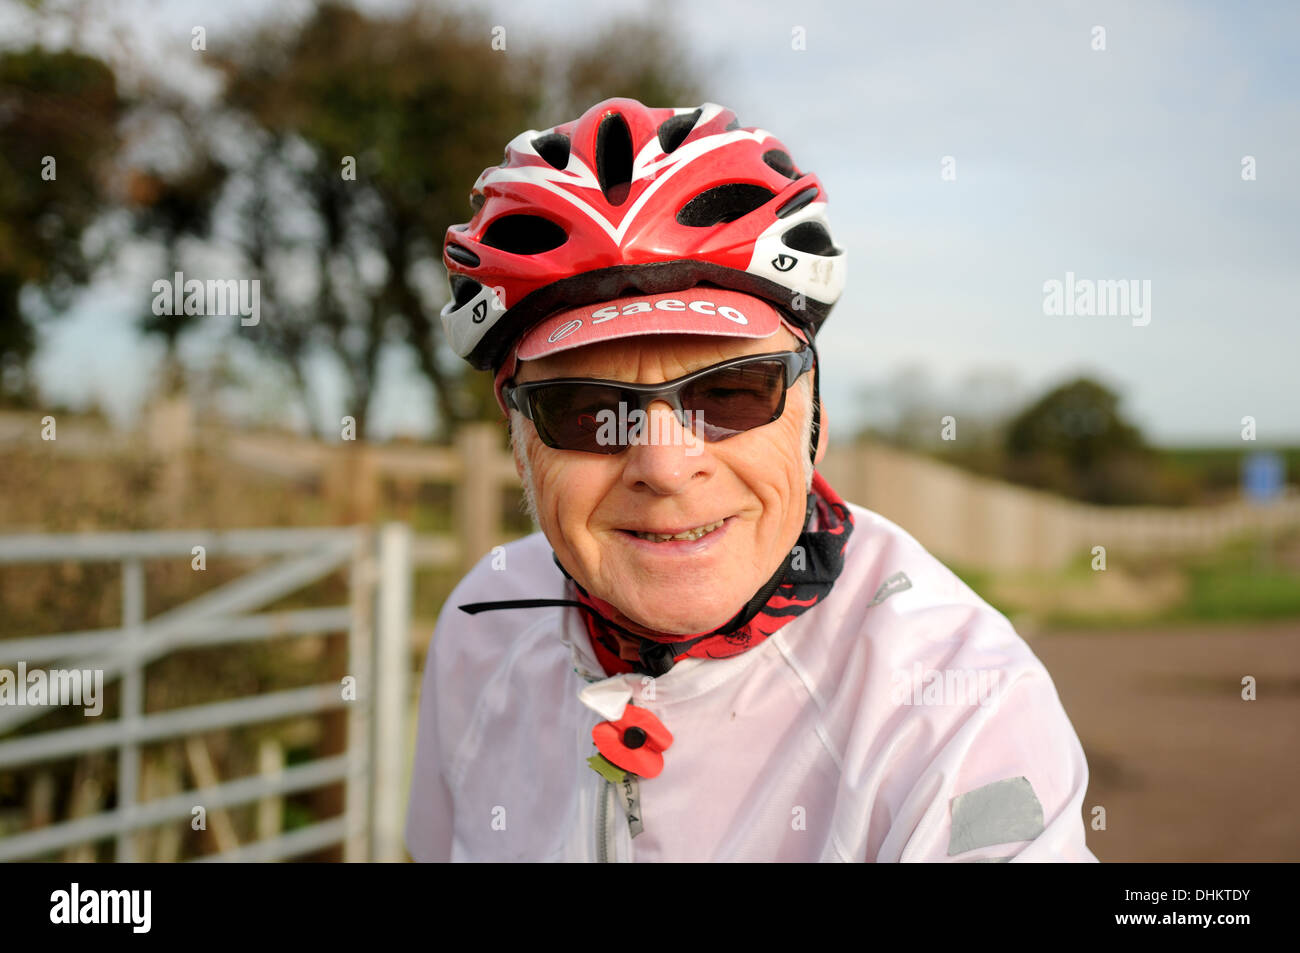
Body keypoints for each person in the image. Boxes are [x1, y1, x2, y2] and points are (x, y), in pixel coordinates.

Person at [405, 98, 1096, 862]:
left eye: (730, 394)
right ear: (519, 447)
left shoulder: (957, 701)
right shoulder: (482, 624)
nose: (665, 467)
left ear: (814, 421)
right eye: (587, 411)